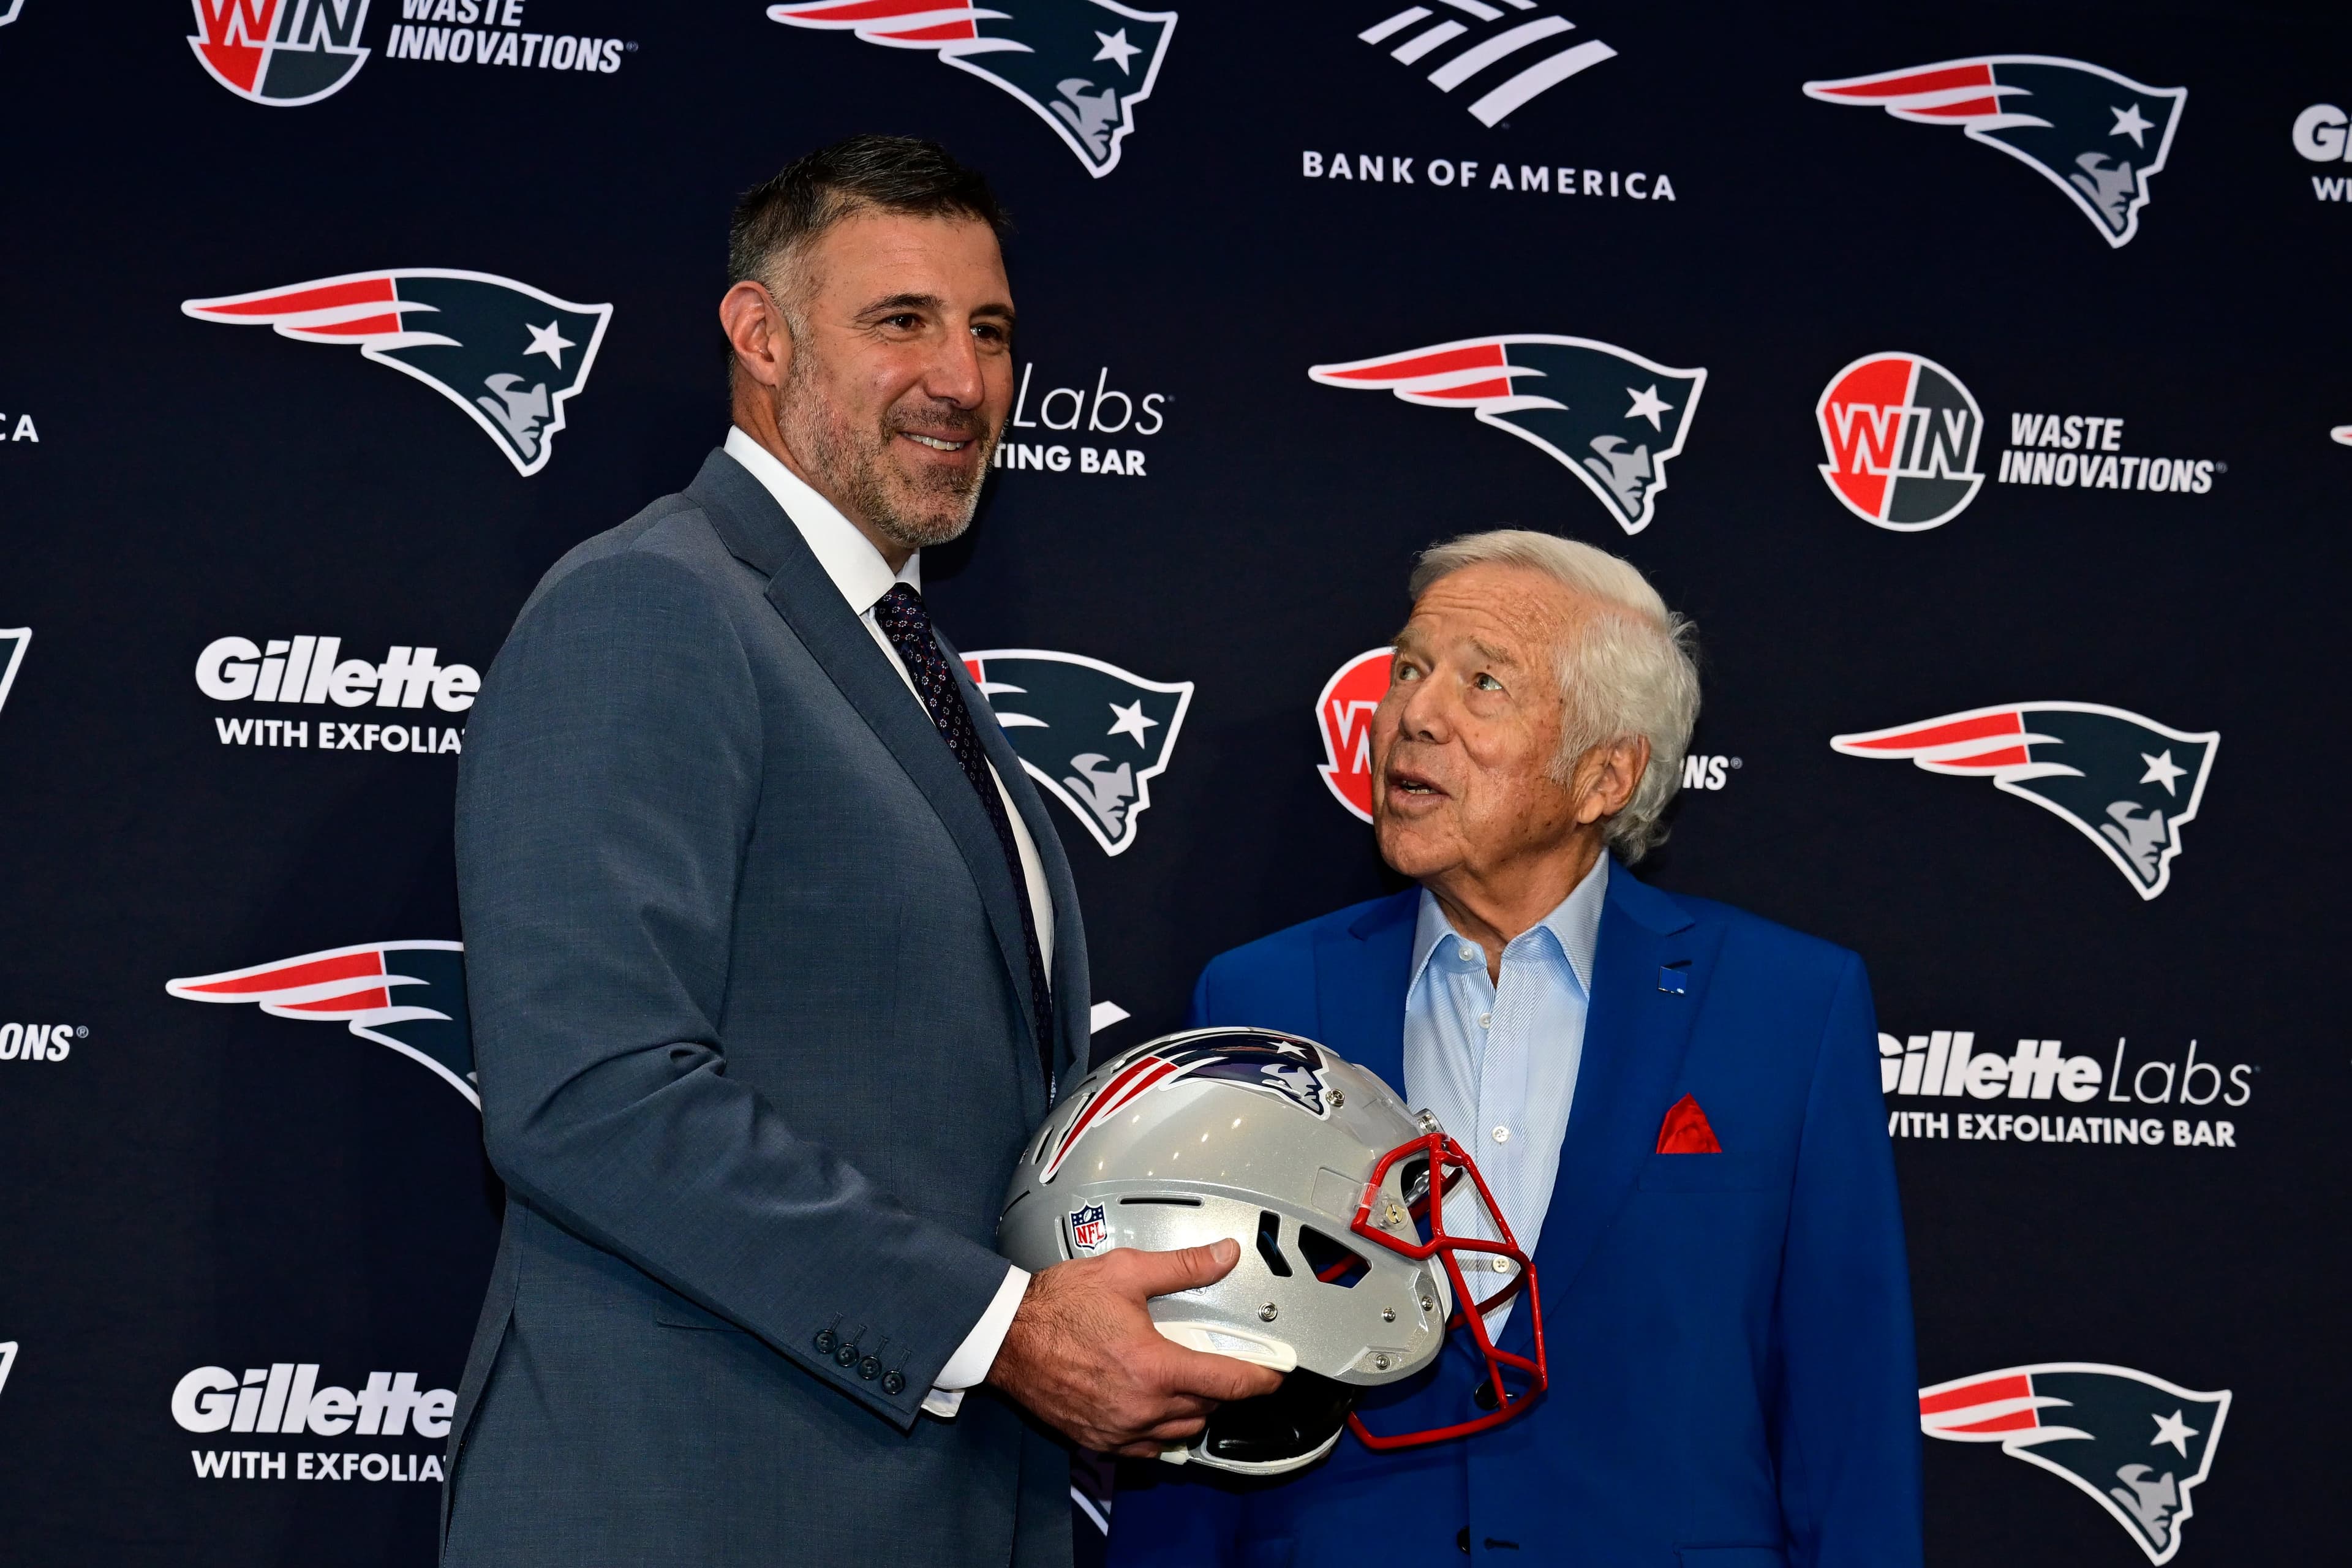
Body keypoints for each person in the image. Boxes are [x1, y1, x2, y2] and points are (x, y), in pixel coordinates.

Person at [440, 135, 1276, 1568]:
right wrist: (1002, 1327)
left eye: (991, 330)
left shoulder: (911, 662)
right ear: (759, 337)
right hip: (689, 1502)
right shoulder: (652, 604)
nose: (963, 376)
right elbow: (589, 1089)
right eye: (903, 321)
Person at [1108, 530, 1922, 1566]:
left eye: (1483, 683)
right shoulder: (1264, 996)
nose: (1415, 714)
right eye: (1409, 670)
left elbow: (1847, 1407)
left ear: (1604, 776)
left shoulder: (1787, 1007)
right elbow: (1195, 1386)